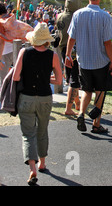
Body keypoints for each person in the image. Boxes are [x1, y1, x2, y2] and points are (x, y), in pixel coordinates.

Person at [13, 22, 63, 185]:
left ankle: (32, 168)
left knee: (28, 134)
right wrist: (46, 78)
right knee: (43, 130)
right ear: (47, 41)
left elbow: (15, 77)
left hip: (26, 97)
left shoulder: (24, 52)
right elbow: (59, 80)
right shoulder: (53, 55)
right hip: (45, 97)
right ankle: (42, 162)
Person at [65, 0, 112, 134]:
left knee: (86, 90)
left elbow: (71, 38)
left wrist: (68, 55)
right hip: (100, 60)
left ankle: (81, 113)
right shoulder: (105, 16)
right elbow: (107, 43)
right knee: (100, 91)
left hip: (84, 60)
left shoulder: (78, 14)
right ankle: (96, 123)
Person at [55, 0, 82, 116]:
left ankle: (77, 103)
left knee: (71, 75)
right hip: (74, 50)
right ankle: (68, 108)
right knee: (74, 79)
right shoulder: (77, 16)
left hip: (62, 48)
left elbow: (58, 32)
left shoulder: (60, 16)